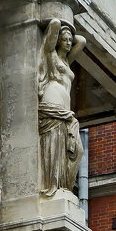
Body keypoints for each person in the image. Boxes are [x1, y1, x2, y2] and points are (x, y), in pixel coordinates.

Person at [38, 18, 85, 195]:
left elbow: (82, 41)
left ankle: (63, 185)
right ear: (58, 40)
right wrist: (58, 22)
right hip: (52, 105)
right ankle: (54, 186)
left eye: (69, 41)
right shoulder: (51, 55)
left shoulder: (67, 61)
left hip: (66, 113)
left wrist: (69, 32)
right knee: (55, 147)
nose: (67, 42)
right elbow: (52, 29)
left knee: (77, 151)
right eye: (64, 39)